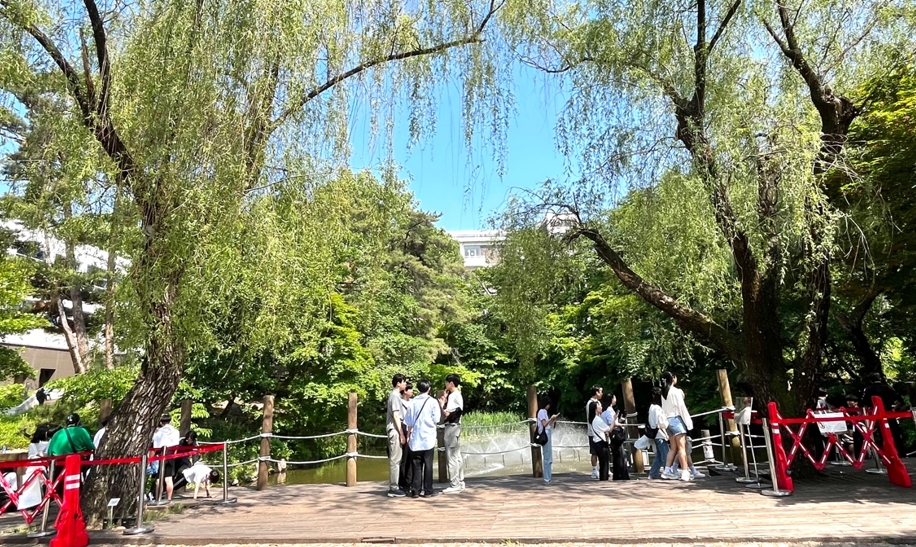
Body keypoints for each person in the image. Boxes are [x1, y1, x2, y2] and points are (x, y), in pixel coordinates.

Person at [405, 379, 442, 498]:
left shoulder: (412, 402)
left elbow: (409, 421)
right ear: (429, 388)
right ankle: (428, 490)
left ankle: (415, 490)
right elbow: (436, 419)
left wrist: (408, 435)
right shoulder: (432, 402)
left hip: (415, 438)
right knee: (428, 464)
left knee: (416, 465)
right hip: (428, 437)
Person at [659, 372, 694, 481]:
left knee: (672, 448)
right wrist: (688, 423)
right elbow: (682, 408)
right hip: (676, 419)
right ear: (673, 379)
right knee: (681, 448)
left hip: (667, 421)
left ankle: (667, 471)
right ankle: (684, 472)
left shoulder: (663, 392)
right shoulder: (675, 392)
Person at [861, 372, 906, 453]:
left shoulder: (868, 389)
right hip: (888, 411)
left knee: (882, 432)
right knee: (894, 431)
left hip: (876, 412)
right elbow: (900, 400)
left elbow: (864, 402)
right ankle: (900, 450)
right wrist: (895, 408)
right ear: (880, 378)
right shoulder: (888, 387)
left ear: (870, 380)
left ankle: (887, 451)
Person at [440, 373, 465, 494]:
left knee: (451, 456)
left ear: (451, 383)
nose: (445, 385)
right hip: (456, 427)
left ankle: (454, 484)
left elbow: (448, 414)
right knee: (457, 455)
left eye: (446, 382)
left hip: (451, 427)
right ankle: (460, 481)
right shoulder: (457, 395)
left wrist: (441, 404)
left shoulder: (454, 395)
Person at [386, 374, 408, 498]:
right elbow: (396, 415)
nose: (405, 384)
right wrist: (401, 433)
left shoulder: (396, 396)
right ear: (398, 383)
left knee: (397, 459)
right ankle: (393, 488)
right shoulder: (394, 396)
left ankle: (396, 486)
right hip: (394, 430)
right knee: (395, 459)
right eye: (404, 382)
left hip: (395, 430)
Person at [152, 414, 180, 503]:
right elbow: (176, 445)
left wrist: (151, 459)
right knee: (168, 479)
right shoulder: (176, 431)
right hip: (171, 455)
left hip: (160, 455)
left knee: (158, 479)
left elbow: (155, 446)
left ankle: (158, 498)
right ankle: (169, 498)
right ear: (170, 421)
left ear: (161, 422)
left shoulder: (158, 432)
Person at [646, 387, 670, 479]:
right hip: (660, 433)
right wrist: (666, 434)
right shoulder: (657, 408)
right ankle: (667, 472)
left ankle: (653, 473)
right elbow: (660, 423)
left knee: (659, 456)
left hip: (655, 433)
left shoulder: (651, 407)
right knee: (665, 454)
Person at [537, 395, 558, 484]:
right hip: (545, 434)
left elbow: (547, 424)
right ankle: (547, 479)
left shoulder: (544, 412)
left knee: (549, 457)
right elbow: (544, 424)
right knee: (547, 457)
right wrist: (551, 419)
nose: (549, 407)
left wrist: (553, 420)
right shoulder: (541, 412)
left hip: (548, 433)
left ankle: (548, 477)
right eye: (548, 405)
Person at [398, 382, 414, 493]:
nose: (412, 392)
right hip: (404, 428)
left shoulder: (413, 402)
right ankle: (402, 482)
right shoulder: (399, 402)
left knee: (411, 458)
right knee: (404, 458)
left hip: (412, 430)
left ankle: (410, 481)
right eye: (410, 389)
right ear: (405, 391)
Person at [589, 400, 610, 481]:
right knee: (604, 464)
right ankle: (604, 480)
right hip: (601, 444)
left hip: (598, 443)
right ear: (595, 409)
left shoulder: (595, 419)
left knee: (603, 464)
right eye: (599, 406)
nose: (601, 407)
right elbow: (608, 428)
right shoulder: (597, 420)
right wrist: (614, 421)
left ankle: (603, 479)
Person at [585, 385, 603, 479]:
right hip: (593, 431)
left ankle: (603, 468)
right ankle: (594, 470)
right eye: (600, 391)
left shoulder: (598, 402)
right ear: (596, 392)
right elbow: (590, 418)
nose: (602, 393)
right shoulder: (590, 403)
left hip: (600, 431)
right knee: (594, 452)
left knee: (601, 451)